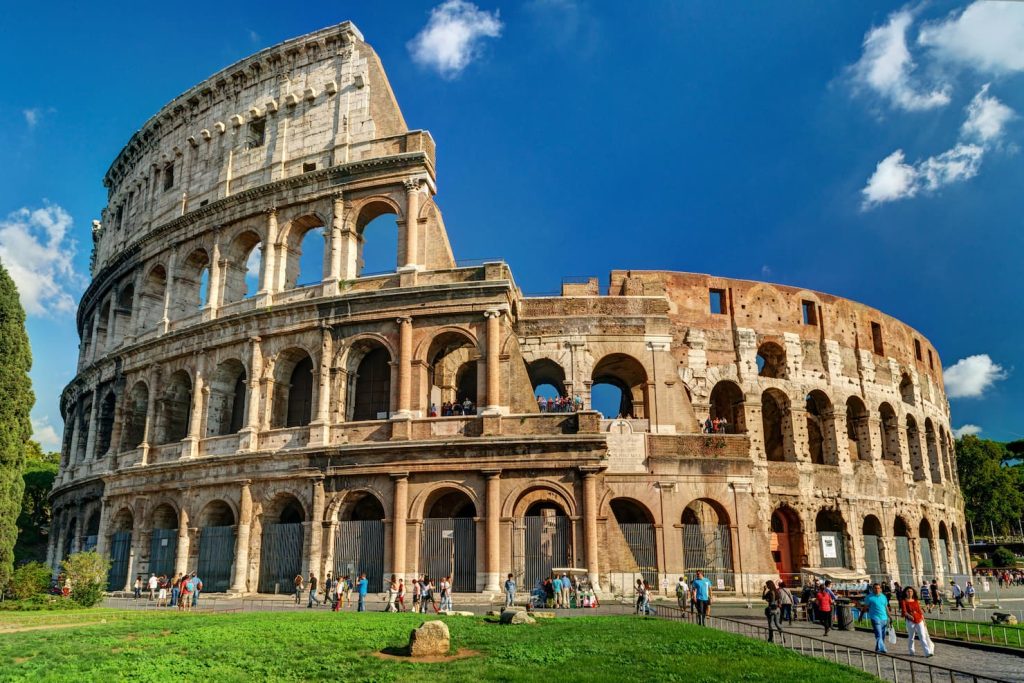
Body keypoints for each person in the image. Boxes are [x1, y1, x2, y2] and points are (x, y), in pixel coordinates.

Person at [901, 587, 935, 657]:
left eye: (911, 591)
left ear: (913, 592)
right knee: (911, 636)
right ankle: (911, 650)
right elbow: (904, 611)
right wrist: (909, 616)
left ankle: (927, 652)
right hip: (910, 620)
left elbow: (920, 611)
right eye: (908, 591)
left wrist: (923, 620)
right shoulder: (904, 601)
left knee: (922, 636)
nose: (910, 593)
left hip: (919, 619)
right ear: (905, 592)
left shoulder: (916, 601)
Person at [859, 583, 891, 653]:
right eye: (875, 588)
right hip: (875, 617)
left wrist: (890, 617)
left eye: (878, 588)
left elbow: (886, 607)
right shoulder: (869, 597)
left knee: (882, 635)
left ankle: (878, 648)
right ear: (873, 589)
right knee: (878, 634)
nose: (877, 589)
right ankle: (883, 648)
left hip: (884, 618)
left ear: (881, 589)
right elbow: (865, 608)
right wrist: (861, 616)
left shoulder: (883, 597)